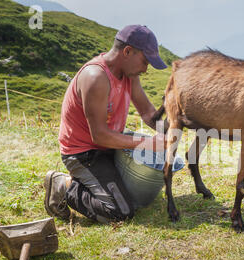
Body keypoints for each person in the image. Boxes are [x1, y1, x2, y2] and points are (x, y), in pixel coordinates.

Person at [44, 25, 167, 224]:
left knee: (136, 196)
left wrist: (168, 130)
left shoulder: (129, 75)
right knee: (120, 212)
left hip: (109, 145)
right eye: (145, 61)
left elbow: (146, 111)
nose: (146, 69)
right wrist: (146, 144)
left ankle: (93, 183)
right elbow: (99, 135)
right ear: (127, 51)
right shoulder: (96, 78)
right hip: (84, 152)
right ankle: (63, 185)